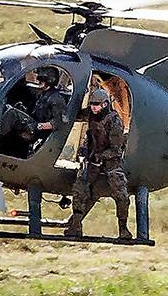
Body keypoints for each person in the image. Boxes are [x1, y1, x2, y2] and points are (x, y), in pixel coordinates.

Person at [65, 87, 132, 240]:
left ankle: (123, 229)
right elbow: (76, 115)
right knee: (80, 189)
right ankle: (76, 226)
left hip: (111, 163)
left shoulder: (114, 120)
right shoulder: (91, 114)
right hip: (92, 161)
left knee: (121, 195)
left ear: (105, 104)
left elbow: (116, 149)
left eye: (96, 104)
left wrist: (102, 156)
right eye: (92, 104)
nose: (93, 107)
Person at [30, 66, 70, 136]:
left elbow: (60, 122)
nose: (39, 82)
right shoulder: (43, 94)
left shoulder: (56, 98)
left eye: (42, 80)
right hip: (34, 124)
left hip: (40, 132)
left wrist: (39, 126)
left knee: (13, 113)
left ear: (50, 81)